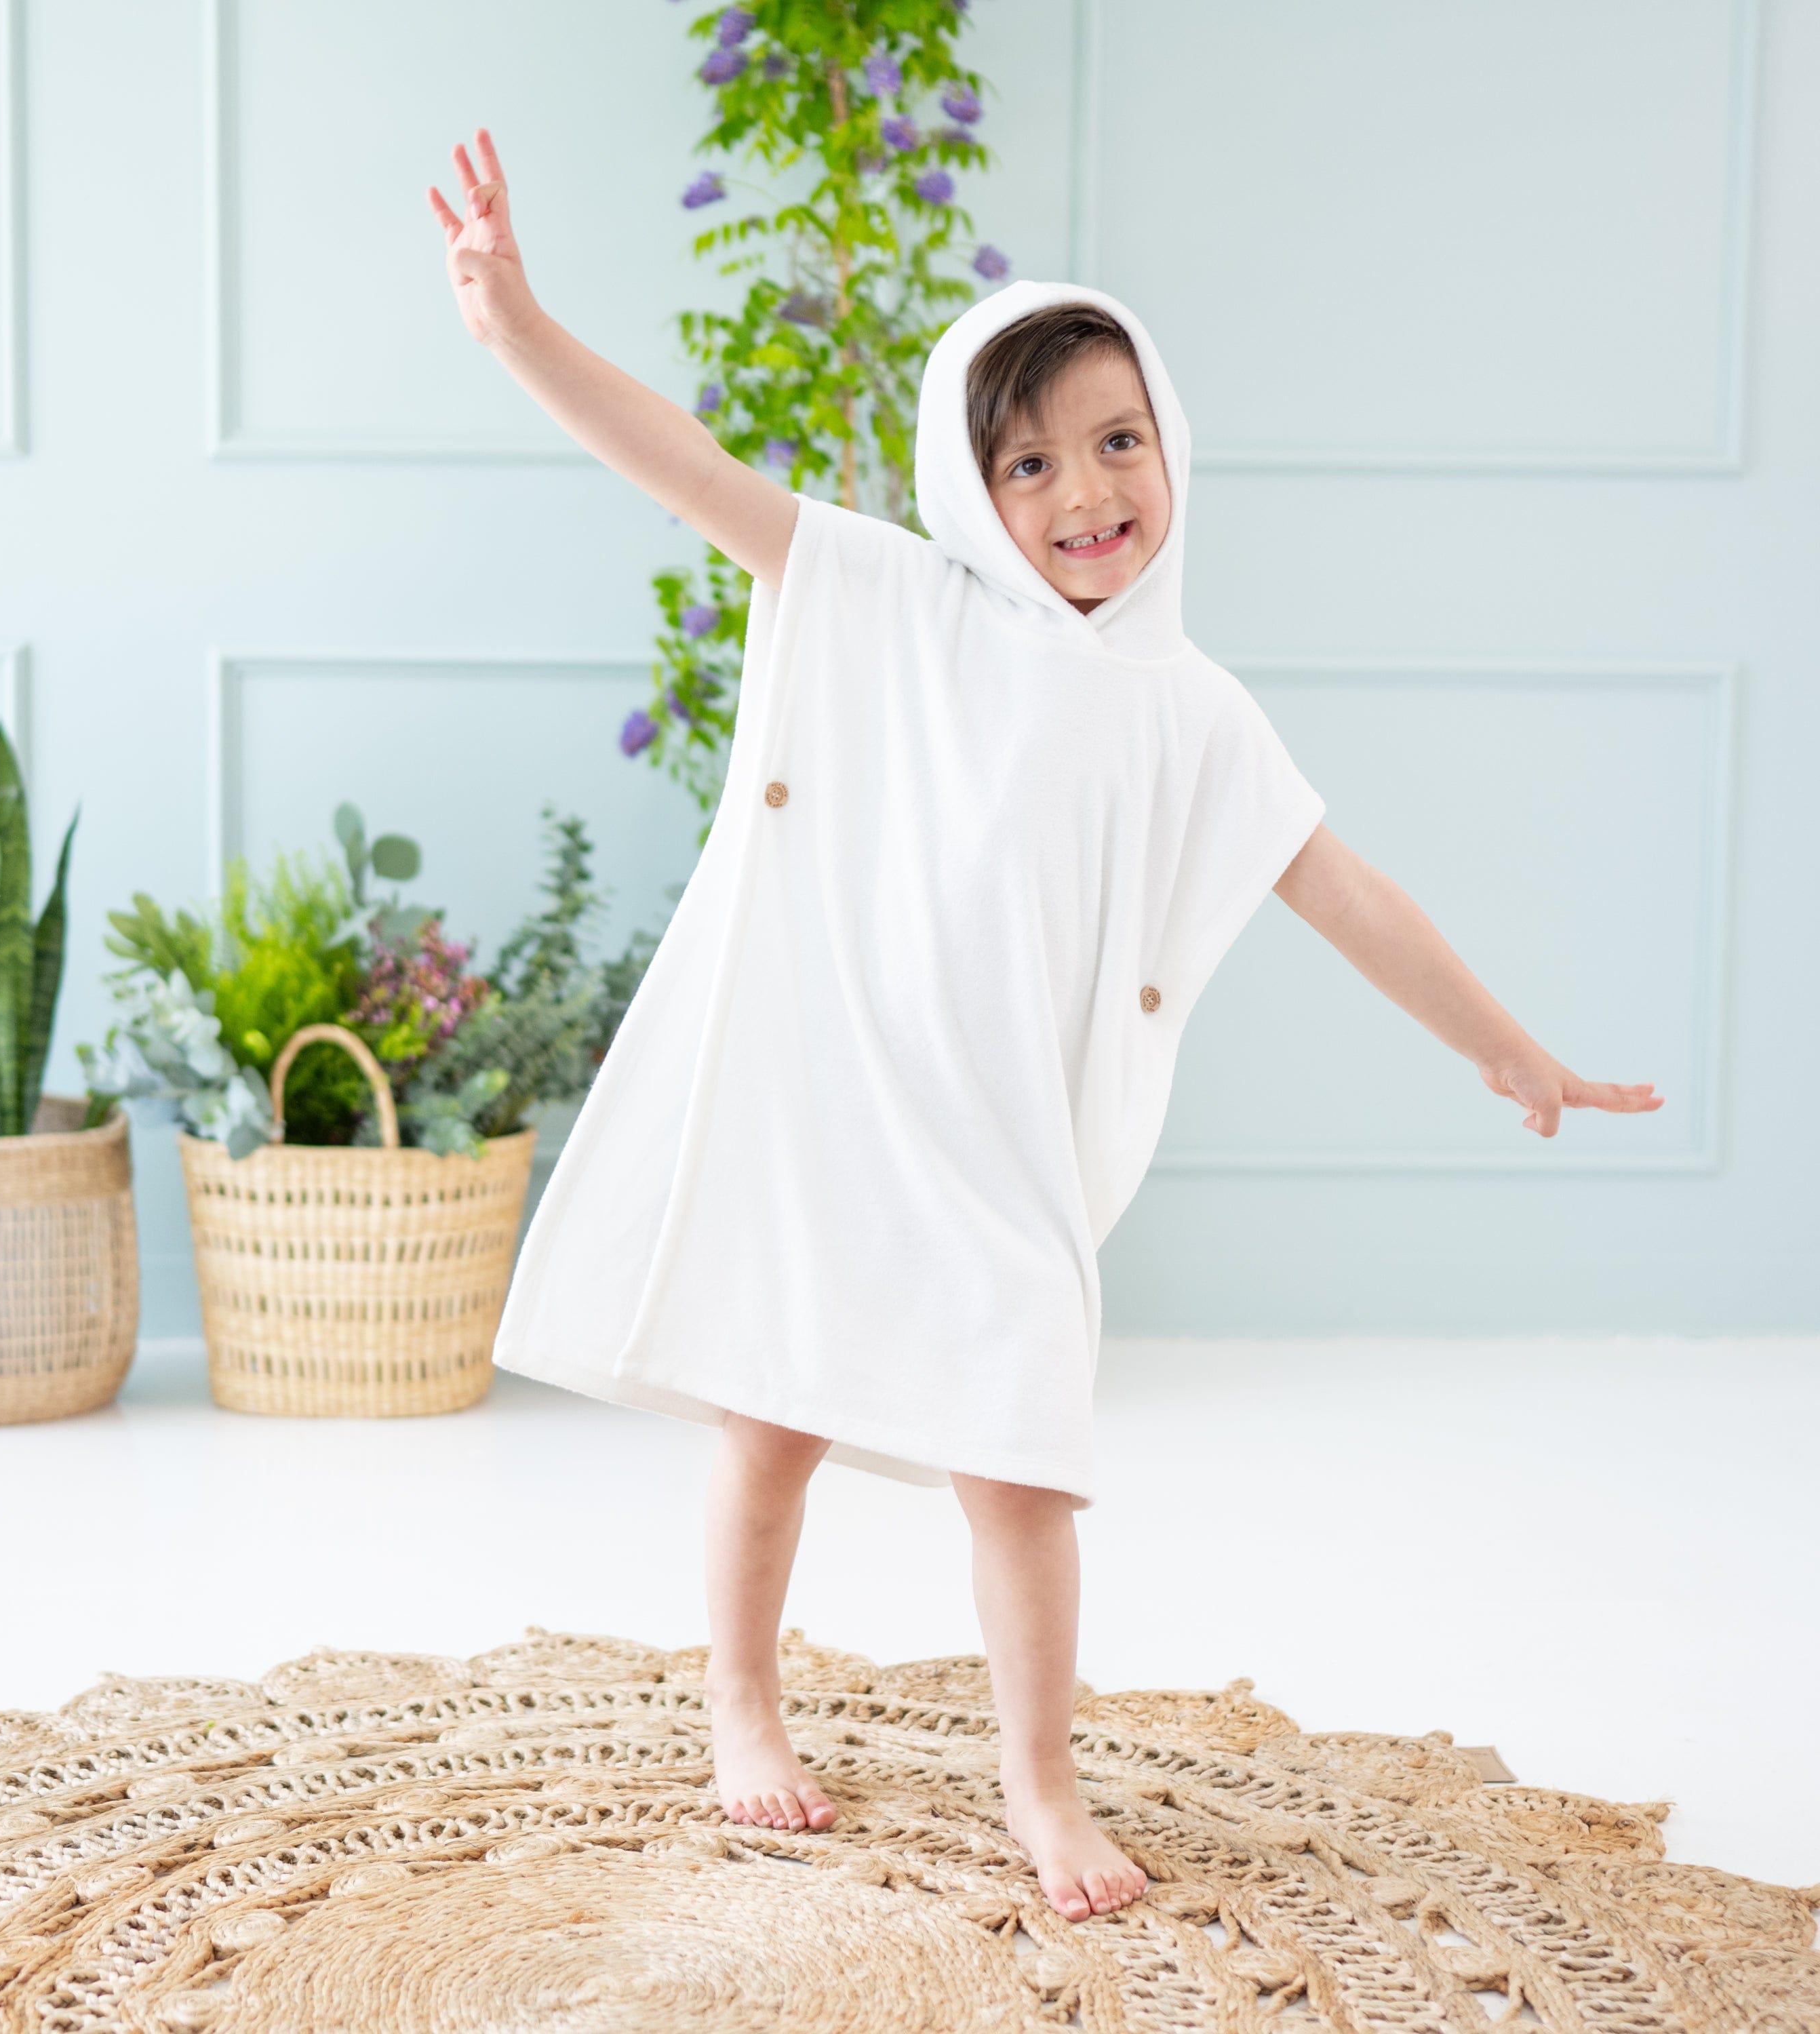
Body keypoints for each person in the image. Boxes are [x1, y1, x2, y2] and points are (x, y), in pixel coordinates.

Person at [427, 129, 1663, 1925]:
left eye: (1116, 442)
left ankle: (1039, 1784)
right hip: (842, 1100)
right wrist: (520, 330)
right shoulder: (902, 608)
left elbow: (1346, 892)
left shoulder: (1197, 714)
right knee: (769, 1428)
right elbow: (688, 470)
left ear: (1169, 448)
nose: (1083, 493)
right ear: (964, 482)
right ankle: (741, 1700)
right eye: (1027, 463)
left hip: (1002, 1152)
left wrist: (1507, 1049)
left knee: (1024, 1475)